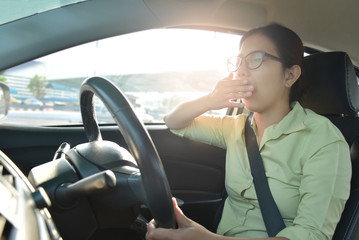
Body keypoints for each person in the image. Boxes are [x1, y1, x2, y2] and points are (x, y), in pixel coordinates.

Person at [146, 23, 351, 240]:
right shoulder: (235, 127)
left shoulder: (323, 140)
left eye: (255, 59)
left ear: (289, 76)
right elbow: (174, 122)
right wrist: (209, 100)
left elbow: (311, 234)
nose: (241, 71)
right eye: (239, 61)